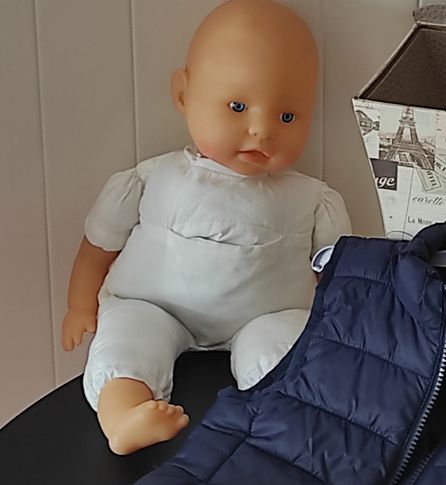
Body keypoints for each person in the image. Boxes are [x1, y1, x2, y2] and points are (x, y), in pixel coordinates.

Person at [61, 0, 350, 455]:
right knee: (127, 342)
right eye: (237, 106)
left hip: (265, 314)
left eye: (287, 117)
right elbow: (98, 246)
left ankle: (292, 423)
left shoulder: (312, 199)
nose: (262, 130)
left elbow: (337, 274)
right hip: (155, 305)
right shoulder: (153, 179)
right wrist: (80, 304)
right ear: (183, 94)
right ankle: (124, 415)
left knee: (286, 348)